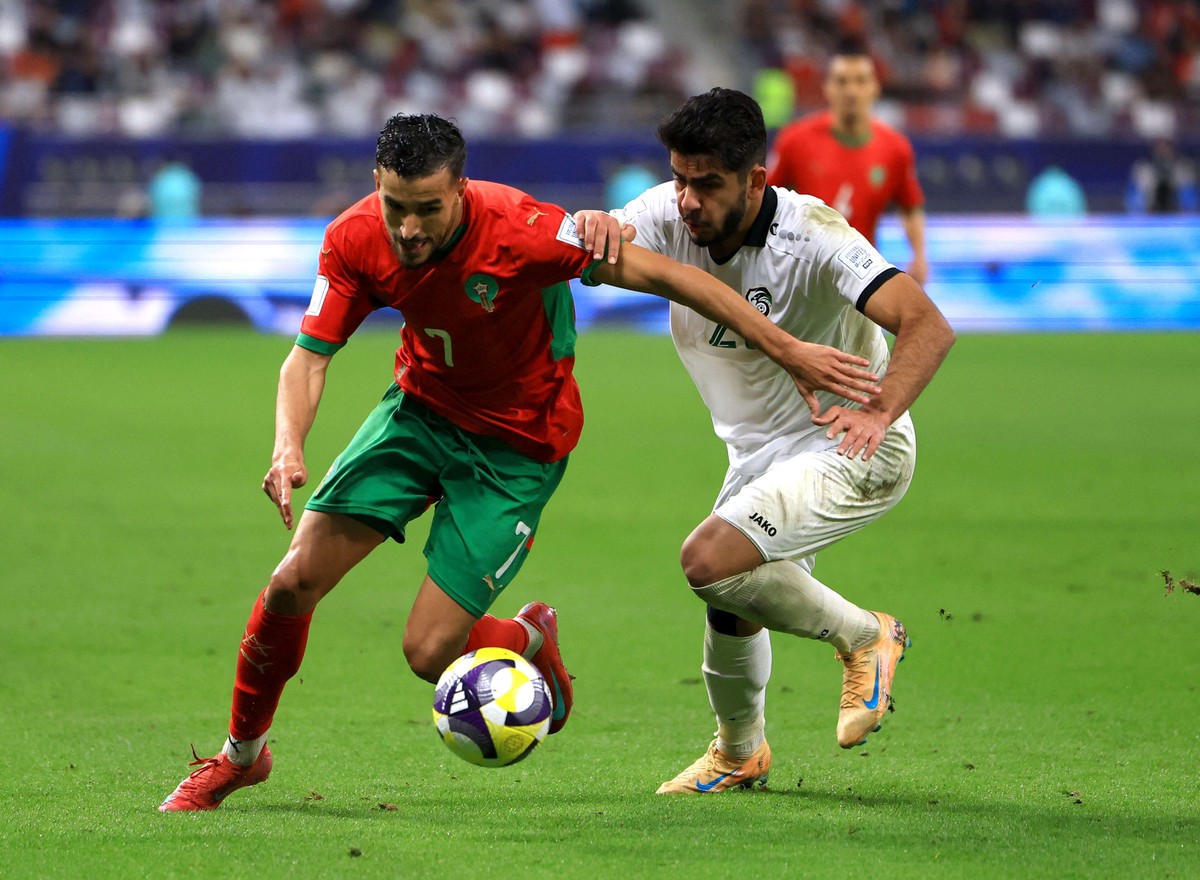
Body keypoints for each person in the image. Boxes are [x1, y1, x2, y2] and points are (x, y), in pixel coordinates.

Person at [158, 112, 884, 812]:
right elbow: (309, 357)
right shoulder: (353, 237)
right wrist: (288, 444)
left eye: (428, 209)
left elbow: (673, 278)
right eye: (395, 206)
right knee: (292, 582)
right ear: (377, 185)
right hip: (418, 413)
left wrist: (786, 348)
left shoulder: (521, 229)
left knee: (429, 653)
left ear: (461, 190)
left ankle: (530, 637)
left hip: (515, 448)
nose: (408, 228)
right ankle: (241, 757)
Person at [576, 88, 954, 794]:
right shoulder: (667, 212)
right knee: (733, 601)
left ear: (755, 180)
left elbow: (927, 324)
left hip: (850, 442)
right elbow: (598, 245)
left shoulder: (814, 236)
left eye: (708, 184)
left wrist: (879, 413)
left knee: (709, 560)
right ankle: (739, 753)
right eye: (679, 178)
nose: (687, 201)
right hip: (758, 455)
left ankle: (867, 636)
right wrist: (596, 223)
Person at [767, 38, 928, 286]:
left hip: (863, 276)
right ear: (827, 87)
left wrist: (918, 256)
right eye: (842, 81)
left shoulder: (895, 148)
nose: (851, 91)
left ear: (875, 87)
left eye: (860, 81)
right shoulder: (794, 140)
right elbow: (765, 199)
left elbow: (910, 206)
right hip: (802, 274)